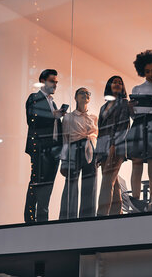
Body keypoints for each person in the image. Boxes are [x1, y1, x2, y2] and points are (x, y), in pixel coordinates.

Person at [24, 69, 66, 223]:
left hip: (53, 150)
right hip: (40, 148)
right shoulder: (34, 98)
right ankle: (29, 219)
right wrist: (53, 115)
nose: (55, 84)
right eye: (52, 81)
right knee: (36, 183)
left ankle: (42, 220)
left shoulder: (52, 102)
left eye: (56, 82)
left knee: (47, 186)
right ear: (43, 81)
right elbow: (32, 120)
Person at [127, 50, 152, 204]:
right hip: (137, 125)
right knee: (136, 166)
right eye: (147, 71)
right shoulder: (136, 89)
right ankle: (135, 201)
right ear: (142, 71)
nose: (150, 74)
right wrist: (130, 108)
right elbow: (133, 115)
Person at [59, 87, 98, 220]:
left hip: (90, 150)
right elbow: (64, 139)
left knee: (90, 185)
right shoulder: (68, 117)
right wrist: (64, 160)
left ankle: (88, 219)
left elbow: (97, 136)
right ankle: (67, 219)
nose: (85, 95)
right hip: (73, 149)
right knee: (71, 184)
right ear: (75, 97)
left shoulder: (93, 117)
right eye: (82, 93)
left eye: (87, 93)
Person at [95, 76, 130, 216]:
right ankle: (118, 213)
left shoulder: (124, 104)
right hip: (103, 147)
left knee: (107, 181)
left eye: (120, 83)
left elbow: (124, 127)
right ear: (109, 85)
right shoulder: (103, 107)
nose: (117, 84)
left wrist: (114, 145)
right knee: (112, 182)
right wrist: (98, 152)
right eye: (115, 82)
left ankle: (101, 215)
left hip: (116, 147)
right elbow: (100, 130)